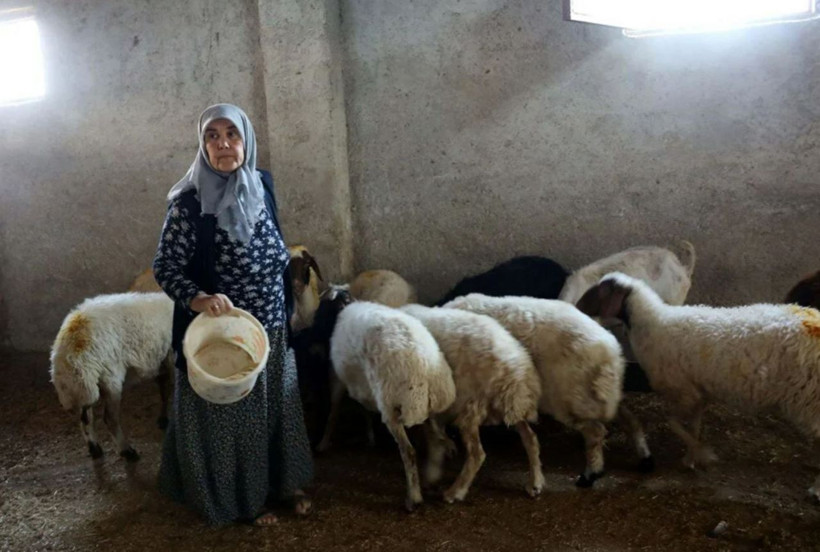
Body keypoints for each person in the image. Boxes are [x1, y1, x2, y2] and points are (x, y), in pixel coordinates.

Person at [153, 103, 313, 526]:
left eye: (232, 134)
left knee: (277, 403)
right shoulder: (189, 205)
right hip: (224, 332)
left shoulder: (261, 183)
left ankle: (283, 482)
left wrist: (287, 302)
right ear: (202, 144)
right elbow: (165, 267)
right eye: (212, 136)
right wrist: (199, 298)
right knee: (234, 418)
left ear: (246, 140)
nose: (223, 143)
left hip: (272, 326)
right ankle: (243, 499)